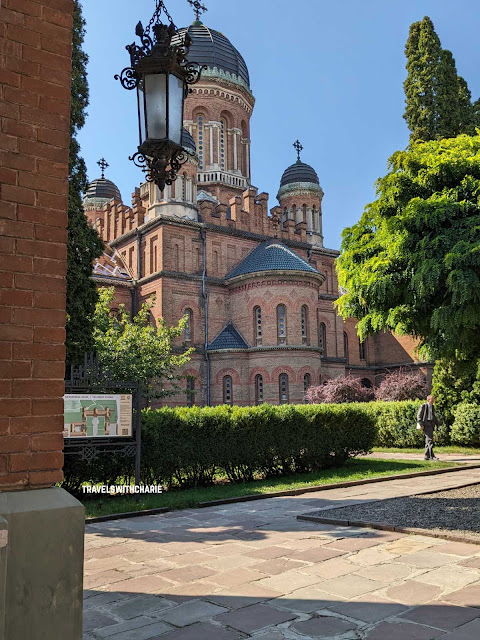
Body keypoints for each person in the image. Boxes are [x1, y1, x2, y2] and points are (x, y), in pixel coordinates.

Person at [417, 395, 440, 461]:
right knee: (430, 440)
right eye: (432, 399)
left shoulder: (432, 407)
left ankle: (426, 456)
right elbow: (419, 416)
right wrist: (421, 424)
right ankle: (432, 456)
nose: (433, 401)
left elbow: (433, 416)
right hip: (426, 424)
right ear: (428, 400)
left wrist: (437, 424)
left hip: (431, 424)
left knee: (428, 440)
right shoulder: (424, 406)